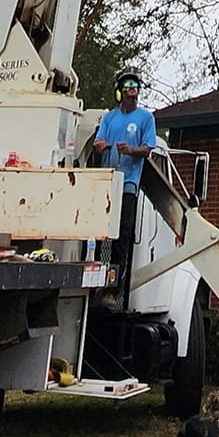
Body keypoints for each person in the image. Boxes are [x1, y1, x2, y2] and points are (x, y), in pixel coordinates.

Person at [93, 66, 156, 293]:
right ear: (120, 91)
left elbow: (147, 149)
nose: (132, 90)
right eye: (128, 86)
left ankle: (114, 289)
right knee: (100, 234)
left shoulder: (145, 118)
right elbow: (98, 142)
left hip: (128, 184)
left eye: (135, 86)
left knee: (122, 236)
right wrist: (101, 145)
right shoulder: (109, 117)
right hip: (107, 183)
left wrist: (130, 150)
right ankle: (96, 282)